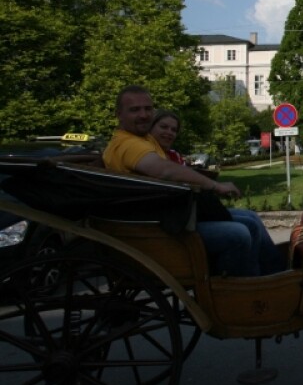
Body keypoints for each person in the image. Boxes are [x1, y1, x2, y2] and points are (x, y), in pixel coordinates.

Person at [104, 86, 284, 276]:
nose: (143, 114)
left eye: (148, 109)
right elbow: (165, 170)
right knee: (240, 233)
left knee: (250, 219)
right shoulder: (129, 144)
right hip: (159, 229)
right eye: (135, 110)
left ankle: (270, 280)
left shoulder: (141, 139)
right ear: (119, 114)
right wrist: (215, 186)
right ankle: (239, 292)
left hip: (167, 217)